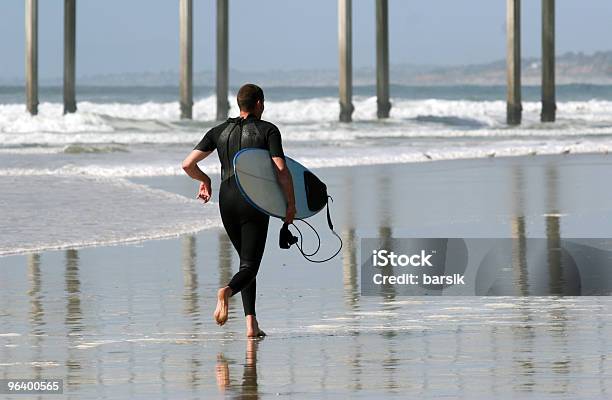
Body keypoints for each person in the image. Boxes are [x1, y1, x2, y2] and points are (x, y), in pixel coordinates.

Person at [182, 83, 296, 338]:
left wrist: (205, 180)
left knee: (246, 263)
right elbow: (281, 170)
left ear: (239, 104)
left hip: (227, 199)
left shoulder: (218, 131)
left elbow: (188, 164)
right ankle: (227, 292)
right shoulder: (268, 130)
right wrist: (290, 204)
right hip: (253, 200)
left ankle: (251, 325)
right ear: (259, 104)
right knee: (250, 266)